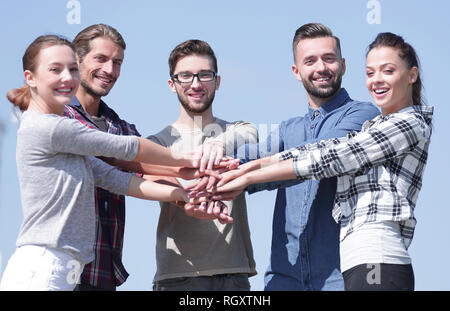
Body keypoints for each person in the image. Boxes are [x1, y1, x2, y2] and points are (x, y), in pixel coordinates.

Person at [215, 32, 433, 291]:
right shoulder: (299, 129)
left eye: (388, 70)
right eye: (371, 72)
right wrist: (219, 166)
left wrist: (251, 173)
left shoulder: (385, 120)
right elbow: (296, 152)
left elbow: (334, 155)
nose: (321, 67)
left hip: (368, 263)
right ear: (296, 71)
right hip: (333, 267)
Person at [0, 34, 203, 291]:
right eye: (55, 69)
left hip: (64, 269)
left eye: (71, 69)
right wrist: (185, 159)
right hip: (44, 268)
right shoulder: (53, 128)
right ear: (31, 78)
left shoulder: (66, 137)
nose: (67, 77)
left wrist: (182, 194)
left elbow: (116, 179)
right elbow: (125, 147)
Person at [147, 39, 258, 291]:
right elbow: (150, 178)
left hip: (234, 275)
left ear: (217, 81)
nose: (196, 84)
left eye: (204, 75)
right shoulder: (157, 143)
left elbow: (250, 133)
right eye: (185, 76)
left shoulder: (236, 131)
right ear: (171, 84)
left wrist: (218, 144)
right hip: (178, 276)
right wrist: (186, 197)